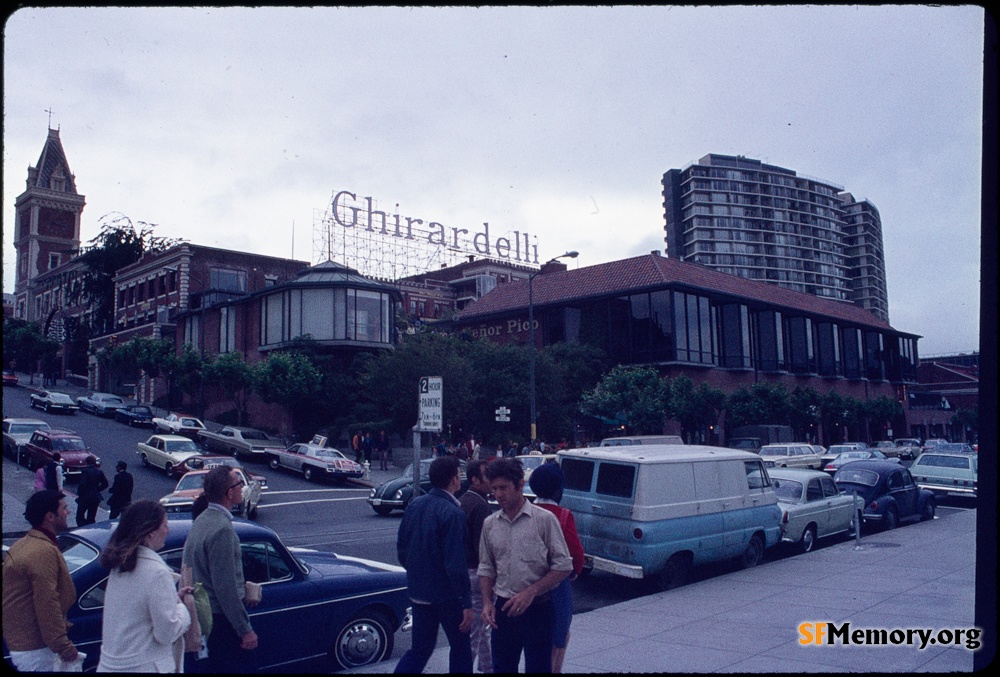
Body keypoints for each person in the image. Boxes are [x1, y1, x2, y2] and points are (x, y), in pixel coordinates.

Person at [478, 458, 572, 673]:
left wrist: (532, 591)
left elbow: (563, 566)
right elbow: (486, 568)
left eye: (504, 487)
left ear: (520, 485)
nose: (498, 494)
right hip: (504, 610)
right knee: (502, 668)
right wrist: (486, 603)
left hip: (538, 609)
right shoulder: (490, 524)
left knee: (539, 668)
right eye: (494, 489)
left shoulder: (544, 520)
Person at [394, 456, 474, 673]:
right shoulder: (454, 514)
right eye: (459, 475)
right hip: (448, 596)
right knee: (460, 648)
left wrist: (417, 572)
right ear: (453, 479)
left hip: (419, 591)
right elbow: (456, 564)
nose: (461, 479)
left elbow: (402, 549)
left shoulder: (415, 505)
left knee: (420, 649)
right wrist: (467, 602)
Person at [97, 500, 193, 672]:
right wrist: (183, 610)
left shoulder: (119, 566)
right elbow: (167, 633)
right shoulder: (157, 572)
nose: (168, 530)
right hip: (145, 666)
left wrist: (172, 599)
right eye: (165, 525)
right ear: (150, 533)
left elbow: (134, 611)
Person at [182, 466, 259, 673]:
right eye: (238, 484)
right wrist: (245, 630)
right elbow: (225, 589)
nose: (242, 488)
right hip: (222, 622)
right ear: (229, 493)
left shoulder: (201, 520)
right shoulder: (223, 530)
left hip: (203, 617)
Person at [2, 490, 80, 671]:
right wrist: (63, 646)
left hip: (24, 644)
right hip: (36, 650)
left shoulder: (24, 544)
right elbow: (47, 602)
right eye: (65, 508)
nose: (68, 512)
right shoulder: (42, 551)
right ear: (50, 517)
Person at [528, 462, 585, 673]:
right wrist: (575, 571)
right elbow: (576, 553)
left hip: (527, 581)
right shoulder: (562, 515)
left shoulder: (527, 511)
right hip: (556, 584)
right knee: (559, 634)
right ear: (558, 488)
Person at [459, 459, 494, 673]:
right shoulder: (480, 505)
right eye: (487, 477)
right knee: (476, 629)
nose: (491, 481)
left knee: (482, 628)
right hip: (476, 572)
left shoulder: (463, 500)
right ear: (475, 480)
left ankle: (488, 667)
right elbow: (482, 547)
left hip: (464, 570)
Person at [77, 455, 109, 527]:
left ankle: (82, 528)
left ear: (87, 462)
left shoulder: (85, 471)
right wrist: (97, 489)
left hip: (85, 497)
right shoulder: (99, 471)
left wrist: (80, 493)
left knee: (80, 516)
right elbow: (105, 484)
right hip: (95, 497)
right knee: (91, 517)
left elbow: (82, 483)